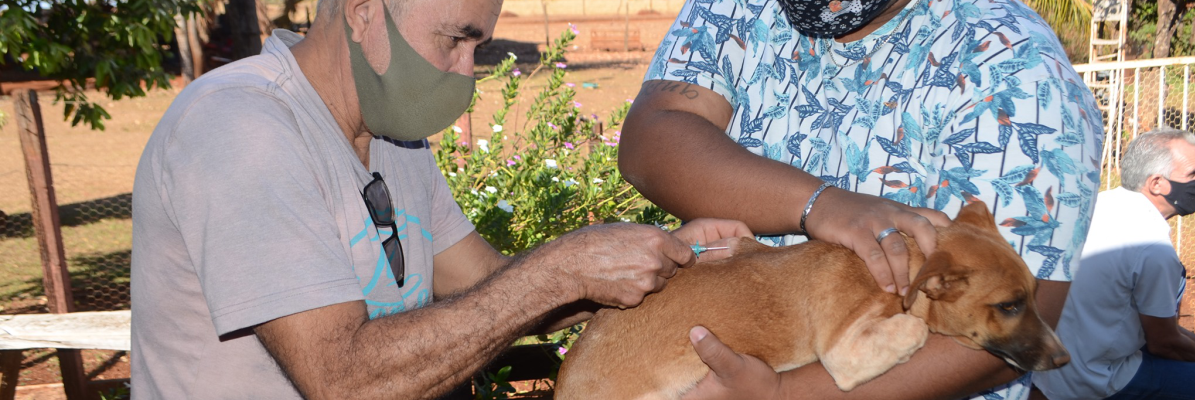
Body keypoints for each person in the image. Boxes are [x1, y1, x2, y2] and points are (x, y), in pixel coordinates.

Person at [128, 0, 751, 398]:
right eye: (455, 40)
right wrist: (562, 269)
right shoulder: (240, 127)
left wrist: (664, 261)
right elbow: (343, 382)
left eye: (478, 49)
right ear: (363, 10)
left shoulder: (393, 136)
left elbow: (487, 288)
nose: (465, 74)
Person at [618, 0, 1105, 398]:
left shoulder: (1012, 62)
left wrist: (783, 394)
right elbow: (650, 139)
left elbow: (999, 327)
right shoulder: (737, 7)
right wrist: (818, 205)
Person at [1031, 128, 1195, 400]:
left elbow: (1158, 325)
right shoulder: (1153, 247)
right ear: (1157, 183)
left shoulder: (1097, 204)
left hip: (1047, 366)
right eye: (1193, 173)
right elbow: (1164, 342)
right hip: (1092, 377)